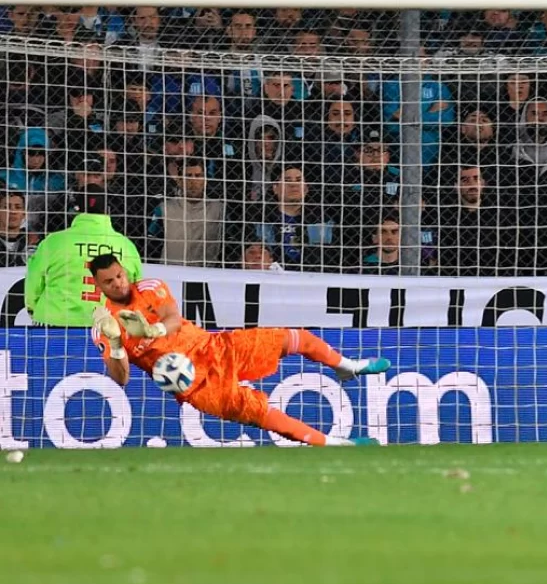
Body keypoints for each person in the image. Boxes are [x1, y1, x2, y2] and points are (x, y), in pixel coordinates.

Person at [89, 254, 388, 446]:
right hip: (198, 386)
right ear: (98, 286)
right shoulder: (105, 326)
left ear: (125, 271)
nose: (118, 283)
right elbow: (121, 379)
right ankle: (339, 445)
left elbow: (173, 318)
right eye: (109, 282)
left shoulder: (149, 287)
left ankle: (347, 365)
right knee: (262, 413)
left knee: (294, 337)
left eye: (119, 275)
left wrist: (154, 330)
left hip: (214, 347)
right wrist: (116, 344)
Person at [24, 188, 142, 326]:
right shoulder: (126, 246)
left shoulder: (54, 241)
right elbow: (136, 292)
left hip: (54, 322)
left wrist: (34, 309)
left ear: (75, 210)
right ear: (107, 210)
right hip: (108, 327)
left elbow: (33, 283)